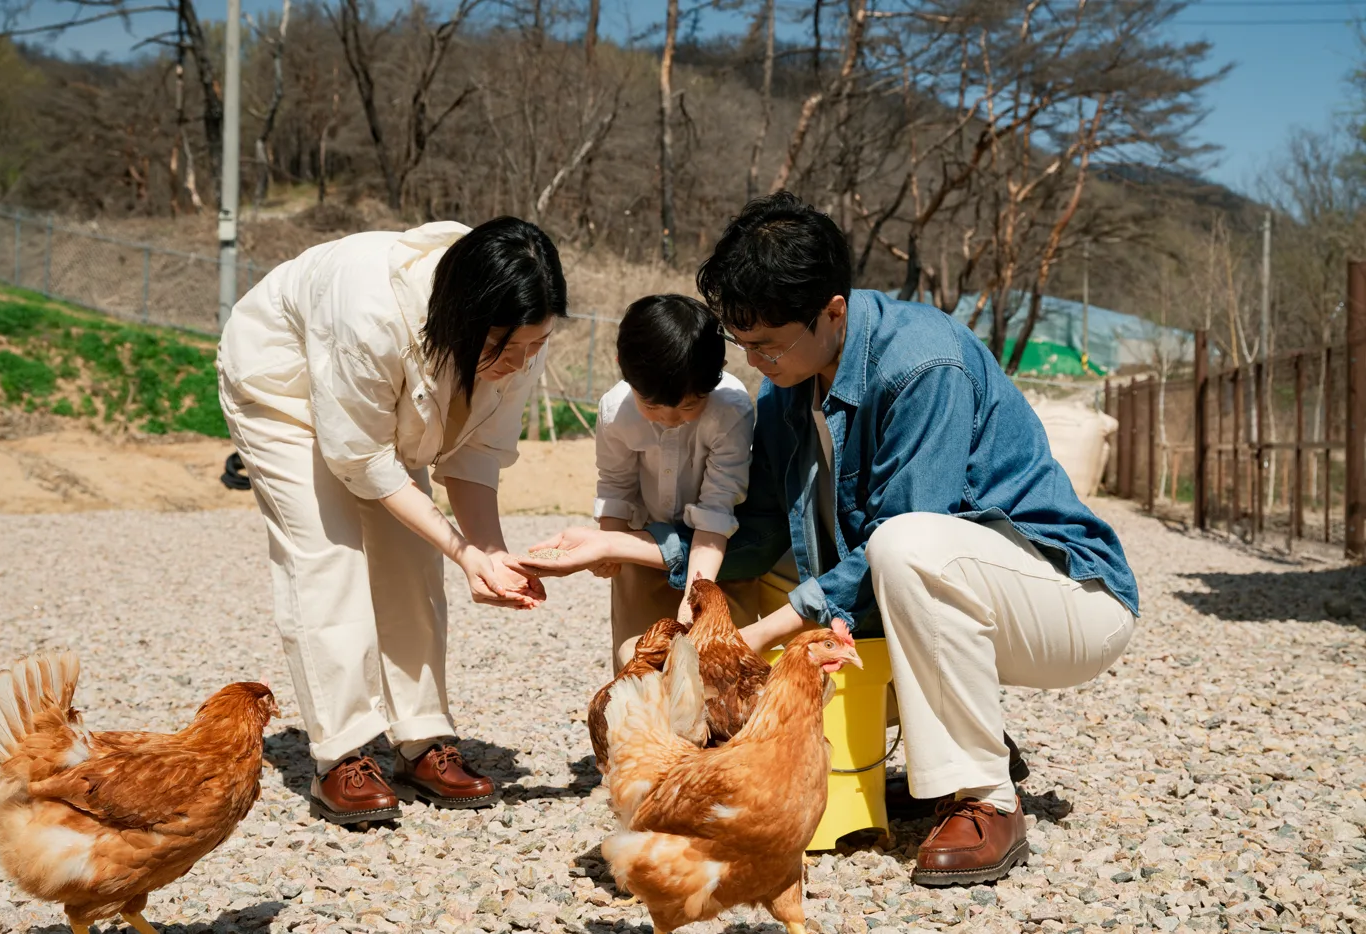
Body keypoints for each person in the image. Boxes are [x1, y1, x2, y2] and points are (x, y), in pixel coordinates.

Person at [517, 192, 1138, 887]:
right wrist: (629, 549)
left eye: (767, 345)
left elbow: (890, 551)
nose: (754, 363)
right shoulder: (790, 392)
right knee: (817, 578)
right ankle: (934, 754)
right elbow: (756, 531)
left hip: (1068, 598)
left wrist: (749, 643)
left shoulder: (922, 366)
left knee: (903, 545)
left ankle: (986, 796)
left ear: (833, 312)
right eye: (743, 344)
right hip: (963, 594)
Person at [217, 217, 561, 824]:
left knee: (412, 557)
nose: (522, 362)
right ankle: (342, 754)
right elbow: (362, 459)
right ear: (462, 317)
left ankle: (422, 738)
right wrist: (464, 552)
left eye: (535, 346)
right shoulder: (370, 311)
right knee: (327, 552)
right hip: (284, 390)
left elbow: (475, 452)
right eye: (505, 350)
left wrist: (489, 554)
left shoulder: (519, 335)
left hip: (377, 409)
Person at [589, 294, 757, 668]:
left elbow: (718, 509)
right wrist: (607, 543)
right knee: (639, 660)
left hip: (719, 550)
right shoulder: (616, 410)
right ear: (623, 368)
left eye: (688, 406)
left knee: (719, 666)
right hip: (644, 546)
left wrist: (698, 590)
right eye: (652, 406)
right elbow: (616, 484)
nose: (668, 418)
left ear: (714, 377)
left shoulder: (730, 409)